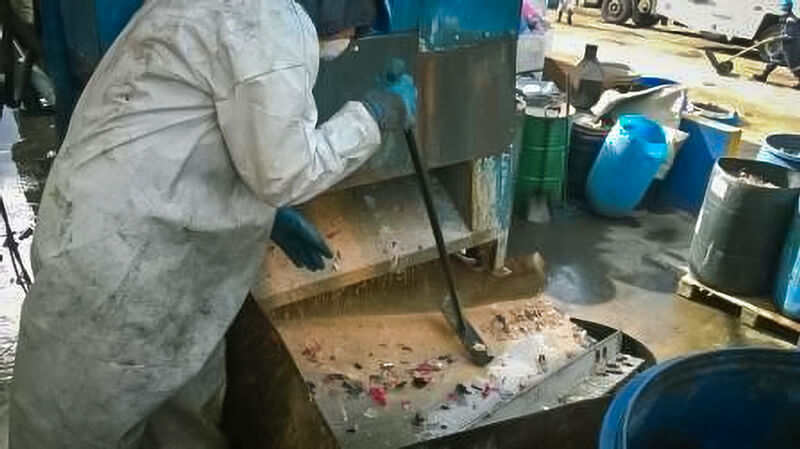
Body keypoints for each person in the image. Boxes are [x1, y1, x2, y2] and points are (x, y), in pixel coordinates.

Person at [8, 0, 415, 448]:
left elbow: (197, 125)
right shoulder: (271, 22)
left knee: (180, 418)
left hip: (150, 255)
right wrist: (372, 117)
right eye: (357, 25)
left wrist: (269, 216)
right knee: (73, 428)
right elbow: (286, 174)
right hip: (119, 275)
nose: (351, 38)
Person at [752, 0, 800, 88]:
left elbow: (790, 36)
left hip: (791, 46)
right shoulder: (787, 18)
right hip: (784, 45)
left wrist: (776, 38)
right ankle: (763, 76)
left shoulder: (792, 20)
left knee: (793, 66)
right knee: (775, 58)